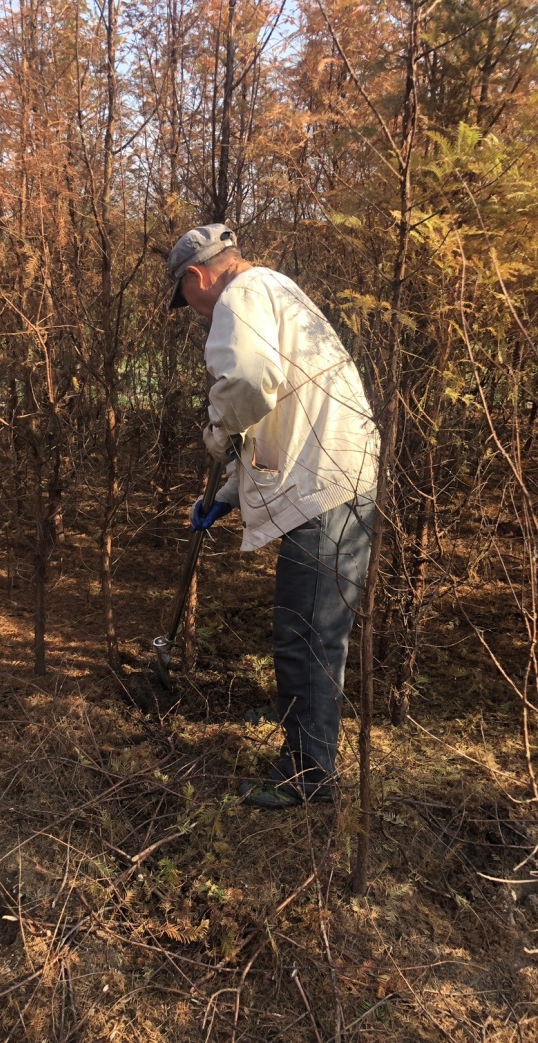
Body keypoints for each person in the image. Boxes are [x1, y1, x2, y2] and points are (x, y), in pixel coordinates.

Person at [167, 224, 380, 810]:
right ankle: (299, 717)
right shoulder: (278, 290)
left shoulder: (239, 296)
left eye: (186, 300)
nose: (192, 312)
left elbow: (249, 385)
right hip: (338, 474)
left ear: (196, 278)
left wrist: (216, 429)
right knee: (309, 626)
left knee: (307, 635)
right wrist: (228, 496)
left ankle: (310, 775)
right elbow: (277, 413)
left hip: (325, 486)